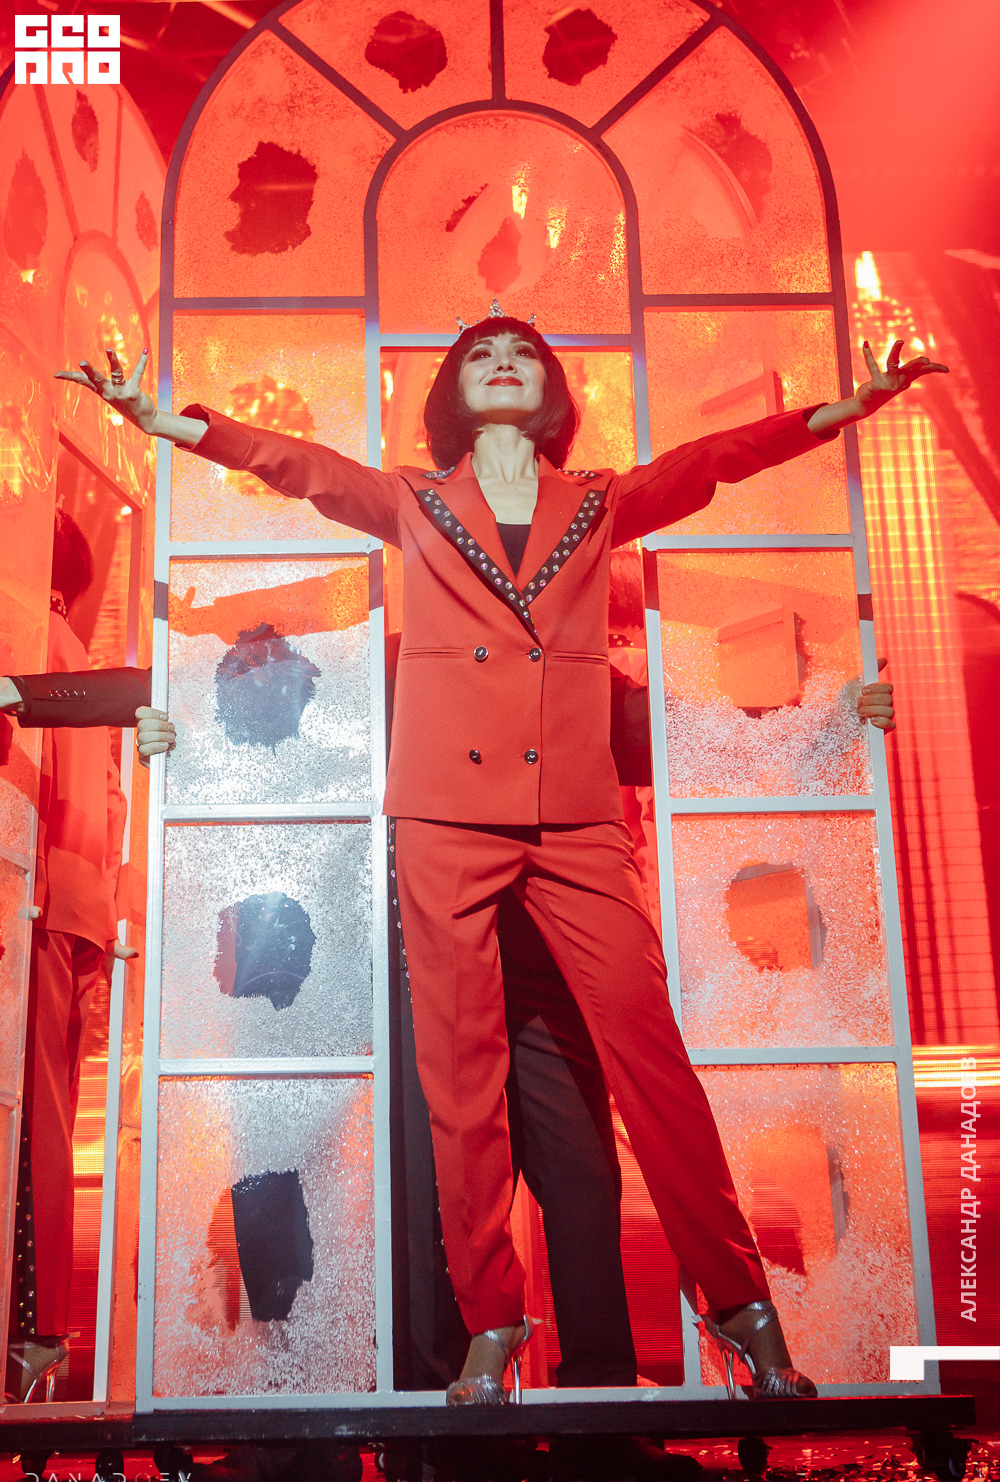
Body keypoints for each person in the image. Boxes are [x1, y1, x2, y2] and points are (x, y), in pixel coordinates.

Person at [56, 322, 933, 1407]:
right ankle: (492, 1321)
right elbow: (301, 468)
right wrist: (166, 423)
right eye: (481, 353)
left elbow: (711, 463)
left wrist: (846, 408)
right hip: (446, 817)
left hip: (573, 818)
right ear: (453, 393)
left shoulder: (598, 502)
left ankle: (741, 1304)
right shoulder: (415, 502)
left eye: (523, 351)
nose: (504, 359)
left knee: (653, 1060)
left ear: (551, 387)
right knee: (461, 1085)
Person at [2, 514, 138, 1402]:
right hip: (76, 903)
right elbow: (110, 798)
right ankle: (40, 1329)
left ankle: (31, 1330)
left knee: (27, 1119)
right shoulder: (72, 648)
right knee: (45, 1119)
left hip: (37, 897)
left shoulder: (28, 644)